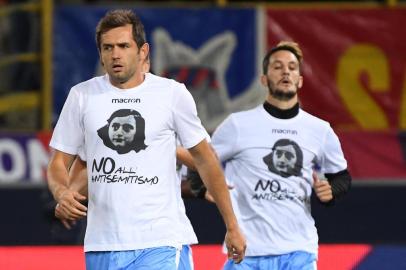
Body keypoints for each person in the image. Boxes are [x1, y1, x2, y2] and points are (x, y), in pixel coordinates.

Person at [47, 9, 245, 270]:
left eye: (123, 46)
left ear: (142, 51)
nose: (115, 54)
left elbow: (206, 158)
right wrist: (62, 193)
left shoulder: (171, 94)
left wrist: (232, 226)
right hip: (102, 244)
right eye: (107, 48)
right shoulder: (81, 96)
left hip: (160, 241)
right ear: (100, 54)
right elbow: (59, 162)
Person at [211, 41, 351, 270]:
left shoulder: (320, 130)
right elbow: (202, 163)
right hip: (246, 252)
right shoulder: (237, 125)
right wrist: (204, 188)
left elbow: (342, 177)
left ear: (300, 80)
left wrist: (331, 191)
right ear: (264, 79)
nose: (286, 71)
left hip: (299, 252)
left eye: (292, 67)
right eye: (277, 66)